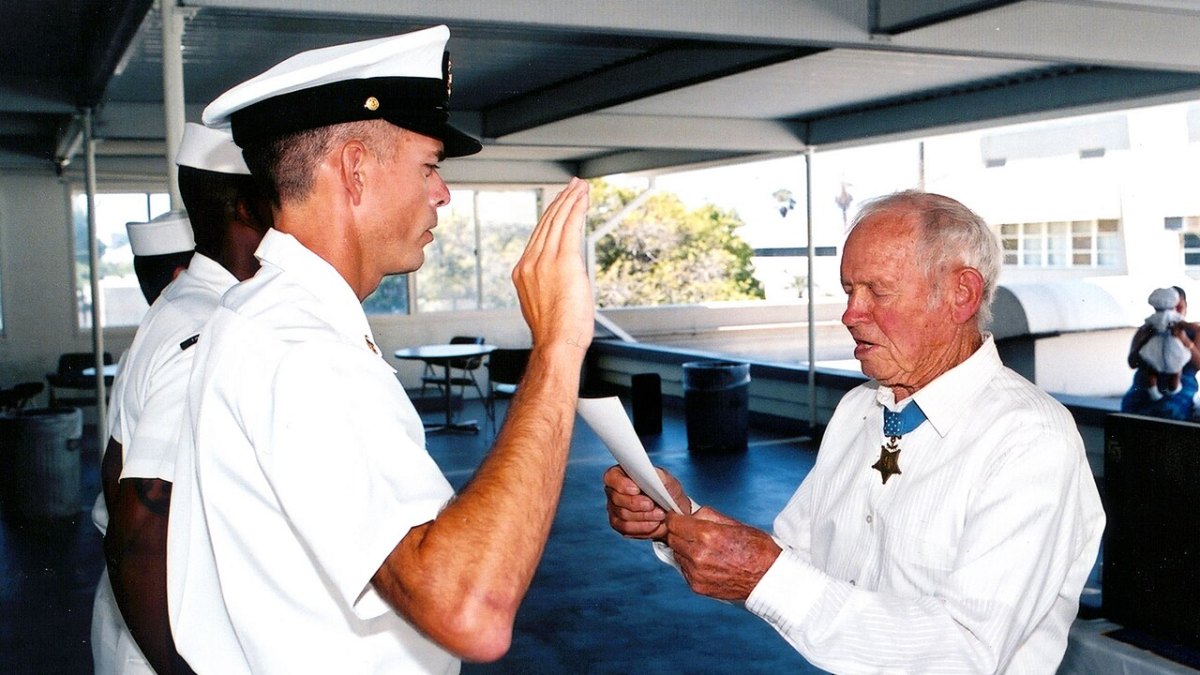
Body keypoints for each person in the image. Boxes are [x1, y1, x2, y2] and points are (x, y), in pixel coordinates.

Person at [167, 25, 593, 673]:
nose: (442, 192)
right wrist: (560, 345)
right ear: (355, 168)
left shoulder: (274, 320)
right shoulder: (298, 345)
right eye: (429, 165)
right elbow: (470, 610)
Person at [605, 191, 1105, 674]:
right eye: (848, 290)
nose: (849, 314)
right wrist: (674, 517)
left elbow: (966, 654)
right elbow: (797, 563)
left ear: (961, 295)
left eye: (877, 291)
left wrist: (766, 574)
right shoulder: (859, 410)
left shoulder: (1029, 440)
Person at [90, 122, 271, 675]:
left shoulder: (183, 308)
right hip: (170, 635)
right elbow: (141, 537)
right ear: (245, 208)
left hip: (147, 620)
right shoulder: (209, 332)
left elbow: (114, 468)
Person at [1121, 285, 1200, 420]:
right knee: (1131, 408)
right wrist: (1146, 339)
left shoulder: (1194, 331)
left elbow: (1198, 364)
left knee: (1170, 411)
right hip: (1145, 385)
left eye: (1178, 307)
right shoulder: (1148, 328)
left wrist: (1183, 339)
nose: (1174, 311)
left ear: (1185, 306)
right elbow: (1132, 362)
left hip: (1180, 388)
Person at [1135, 287, 1191, 397]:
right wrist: (1146, 337)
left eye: (1180, 306)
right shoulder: (1152, 324)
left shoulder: (1189, 331)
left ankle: (1169, 387)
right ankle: (1157, 389)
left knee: (1174, 366)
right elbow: (1132, 361)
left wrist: (1185, 340)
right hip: (1165, 346)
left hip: (1162, 347)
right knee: (1152, 367)